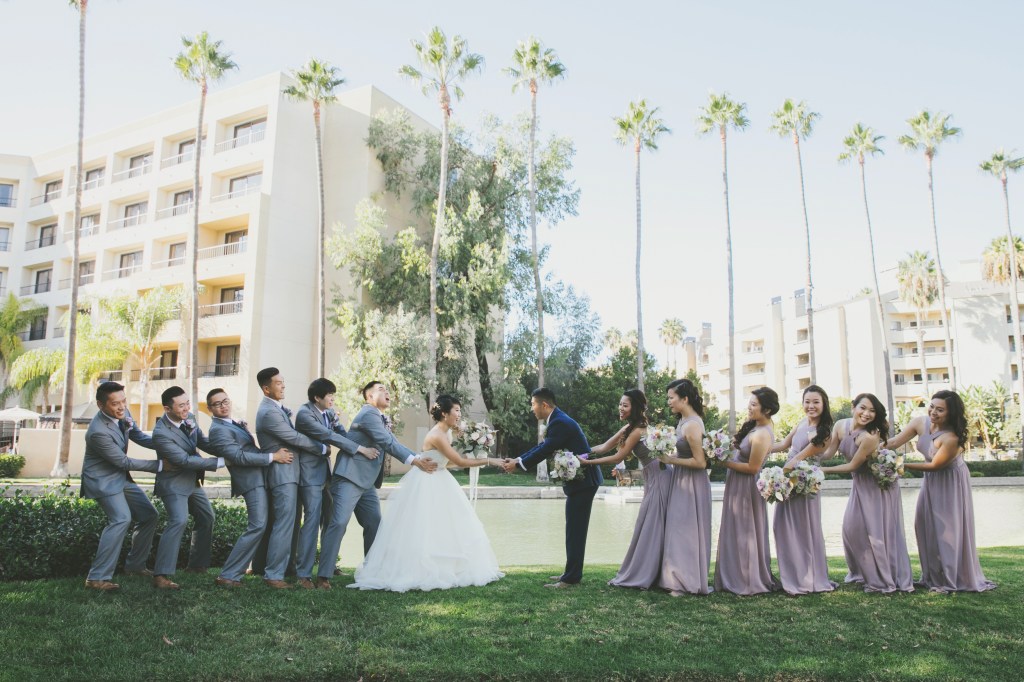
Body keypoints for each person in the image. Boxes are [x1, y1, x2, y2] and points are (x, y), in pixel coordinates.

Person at [349, 395, 505, 591]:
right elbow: (460, 462)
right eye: (456, 410)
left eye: (459, 410)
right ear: (444, 413)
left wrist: (475, 450)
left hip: (440, 476)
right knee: (425, 527)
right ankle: (421, 569)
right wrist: (490, 461)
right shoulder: (437, 435)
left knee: (446, 525)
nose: (459, 414)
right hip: (427, 482)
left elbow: (448, 463)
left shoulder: (446, 432)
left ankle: (450, 566)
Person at [316, 381, 438, 587]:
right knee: (338, 523)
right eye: (381, 390)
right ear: (369, 397)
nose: (387, 392)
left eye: (387, 389)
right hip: (349, 477)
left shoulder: (379, 417)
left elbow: (394, 443)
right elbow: (387, 443)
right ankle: (323, 575)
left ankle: (372, 569)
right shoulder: (369, 414)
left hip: (367, 482)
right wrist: (415, 462)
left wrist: (417, 456)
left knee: (374, 523)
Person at [886, 390, 996, 593]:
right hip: (931, 482)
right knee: (923, 524)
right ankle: (931, 576)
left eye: (940, 409)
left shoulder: (952, 438)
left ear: (950, 413)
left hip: (950, 483)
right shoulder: (920, 422)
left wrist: (901, 465)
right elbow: (894, 442)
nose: (933, 412)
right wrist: (874, 450)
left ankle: (950, 580)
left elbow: (935, 465)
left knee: (947, 530)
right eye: (932, 406)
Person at [501, 388, 603, 588]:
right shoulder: (558, 420)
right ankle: (570, 573)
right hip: (581, 483)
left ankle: (571, 578)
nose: (532, 409)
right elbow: (542, 447)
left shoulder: (559, 422)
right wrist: (518, 460)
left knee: (575, 530)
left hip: (584, 483)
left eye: (533, 404)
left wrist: (518, 465)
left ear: (544, 405)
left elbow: (545, 450)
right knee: (573, 529)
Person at [821, 393, 913, 593]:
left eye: (872, 411)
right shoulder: (840, 426)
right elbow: (827, 454)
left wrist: (823, 472)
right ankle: (861, 572)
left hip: (876, 486)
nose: (866, 413)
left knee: (876, 532)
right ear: (853, 407)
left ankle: (881, 579)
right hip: (859, 484)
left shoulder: (870, 437)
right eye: (863, 408)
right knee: (851, 529)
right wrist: (807, 457)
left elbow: (852, 466)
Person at [293, 378, 379, 589]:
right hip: (309, 475)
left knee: (332, 521)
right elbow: (329, 435)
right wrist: (360, 449)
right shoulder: (305, 414)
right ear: (317, 398)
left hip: (327, 474)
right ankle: (304, 574)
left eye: (333, 395)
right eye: (329, 395)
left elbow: (344, 434)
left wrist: (363, 433)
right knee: (312, 522)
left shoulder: (329, 413)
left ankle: (330, 568)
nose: (333, 399)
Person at [205, 388, 293, 588]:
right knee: (257, 525)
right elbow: (239, 457)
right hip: (250, 481)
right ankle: (228, 575)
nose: (223, 405)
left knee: (261, 525)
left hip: (259, 477)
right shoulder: (218, 430)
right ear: (210, 408)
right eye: (217, 404)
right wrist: (273, 457)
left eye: (225, 400)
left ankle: (250, 567)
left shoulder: (231, 423)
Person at [81, 382, 162, 591]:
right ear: (101, 405)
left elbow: (140, 436)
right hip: (103, 480)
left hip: (120, 477)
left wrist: (169, 442)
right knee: (121, 519)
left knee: (149, 515)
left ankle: (135, 566)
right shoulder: (98, 432)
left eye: (123, 401)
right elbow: (124, 462)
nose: (121, 407)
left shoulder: (123, 414)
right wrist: (161, 466)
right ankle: (96, 578)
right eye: (115, 403)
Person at [254, 367, 327, 589]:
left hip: (291, 472)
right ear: (266, 388)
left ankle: (284, 569)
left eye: (283, 382)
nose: (283, 385)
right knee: (284, 523)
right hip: (282, 473)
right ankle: (273, 575)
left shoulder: (276, 408)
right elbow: (292, 437)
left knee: (290, 523)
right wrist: (321, 447)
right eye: (278, 383)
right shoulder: (268, 412)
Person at [579, 390, 658, 589]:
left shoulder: (639, 431)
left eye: (625, 405)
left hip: (661, 478)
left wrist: (587, 463)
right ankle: (650, 569)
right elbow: (605, 447)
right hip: (652, 478)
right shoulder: (628, 428)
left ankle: (650, 572)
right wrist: (580, 453)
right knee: (649, 523)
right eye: (620, 404)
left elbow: (617, 458)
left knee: (652, 524)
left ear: (636, 408)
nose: (621, 408)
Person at [151, 386, 224, 589]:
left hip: (192, 481)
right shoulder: (161, 434)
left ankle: (197, 565)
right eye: (181, 405)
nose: (186, 408)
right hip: (173, 483)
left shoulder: (189, 417)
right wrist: (219, 463)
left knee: (207, 517)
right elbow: (184, 460)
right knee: (178, 520)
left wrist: (227, 448)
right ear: (167, 409)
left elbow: (201, 441)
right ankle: (161, 575)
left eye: (187, 403)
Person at [771, 384, 837, 595]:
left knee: (802, 530)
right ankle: (792, 575)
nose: (811, 406)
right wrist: (755, 445)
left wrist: (777, 480)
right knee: (782, 527)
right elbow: (782, 445)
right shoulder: (801, 423)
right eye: (807, 401)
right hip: (790, 480)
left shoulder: (823, 432)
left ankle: (806, 579)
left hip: (803, 483)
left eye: (816, 402)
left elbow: (799, 458)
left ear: (824, 404)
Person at [714, 387, 780, 595]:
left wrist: (723, 463)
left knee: (745, 531)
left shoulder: (762, 434)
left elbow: (753, 468)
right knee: (736, 529)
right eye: (749, 403)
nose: (749, 408)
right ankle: (733, 574)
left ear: (767, 409)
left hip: (746, 487)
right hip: (737, 484)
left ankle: (746, 578)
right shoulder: (754, 427)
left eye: (754, 405)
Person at [658, 378, 713, 596]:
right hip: (681, 479)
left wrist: (671, 460)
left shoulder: (691, 425)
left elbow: (701, 462)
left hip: (692, 482)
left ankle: (686, 582)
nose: (668, 402)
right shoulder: (683, 421)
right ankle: (676, 577)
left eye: (671, 398)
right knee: (678, 528)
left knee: (687, 530)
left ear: (685, 399)